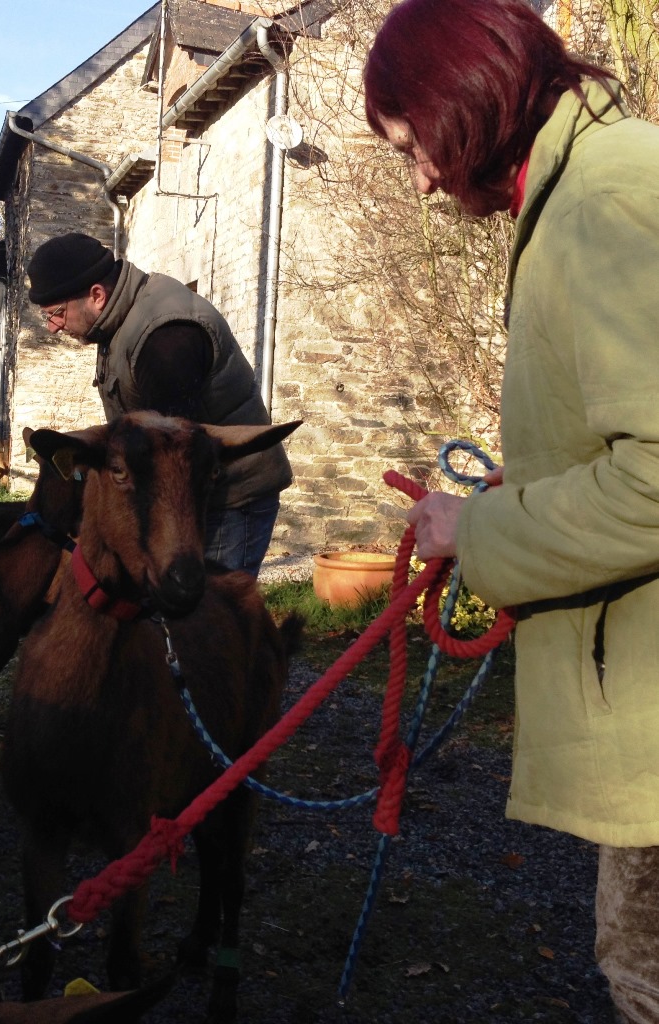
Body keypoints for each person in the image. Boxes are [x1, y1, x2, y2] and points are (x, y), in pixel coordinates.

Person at [364, 0, 659, 1020]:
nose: (419, 183)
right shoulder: (591, 189)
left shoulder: (608, 201)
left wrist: (476, 532)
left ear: (465, 103)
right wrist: (521, 490)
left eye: (412, 149)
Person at [26, 233, 294, 578]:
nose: (52, 328)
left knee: (210, 617)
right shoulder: (120, 321)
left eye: (57, 313)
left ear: (96, 295)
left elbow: (171, 457)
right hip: (188, 495)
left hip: (228, 500)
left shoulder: (163, 337)